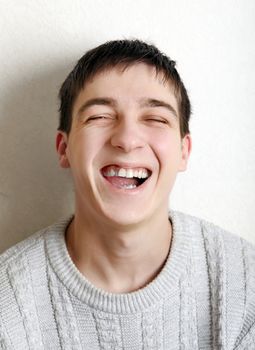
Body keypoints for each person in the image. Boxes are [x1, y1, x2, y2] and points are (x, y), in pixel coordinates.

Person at [0, 39, 254, 350]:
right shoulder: (7, 304)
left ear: (184, 151)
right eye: (100, 117)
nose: (127, 139)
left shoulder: (245, 287)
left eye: (156, 119)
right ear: (64, 148)